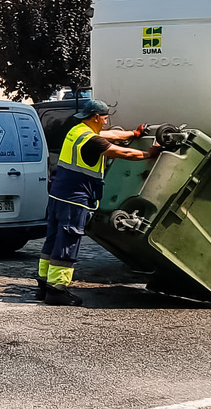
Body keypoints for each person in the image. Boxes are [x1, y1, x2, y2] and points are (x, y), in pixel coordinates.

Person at [37, 99, 160, 306]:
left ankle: (44, 284)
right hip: (75, 197)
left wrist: (133, 134)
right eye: (104, 118)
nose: (105, 121)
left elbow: (109, 135)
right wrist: (149, 154)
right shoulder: (93, 141)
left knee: (53, 238)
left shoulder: (77, 131)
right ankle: (57, 290)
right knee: (68, 240)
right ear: (95, 117)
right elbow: (124, 152)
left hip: (58, 195)